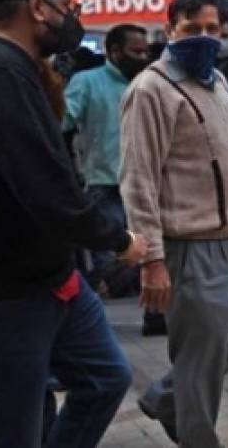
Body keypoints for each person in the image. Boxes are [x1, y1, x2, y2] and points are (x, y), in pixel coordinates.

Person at [0, 0, 146, 447]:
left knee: (105, 378)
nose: (74, 17)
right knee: (9, 430)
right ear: (39, 6)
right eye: (69, 4)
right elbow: (43, 186)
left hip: (51, 277)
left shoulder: (12, 65)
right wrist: (118, 238)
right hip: (2, 291)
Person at [122, 0, 228, 446]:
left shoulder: (218, 81)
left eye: (211, 28)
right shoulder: (150, 90)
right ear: (169, 31)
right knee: (200, 357)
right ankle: (197, 436)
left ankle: (168, 397)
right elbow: (138, 178)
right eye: (191, 29)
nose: (204, 38)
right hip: (192, 245)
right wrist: (152, 259)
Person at [62, 23, 167, 334]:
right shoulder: (87, 83)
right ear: (114, 51)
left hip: (148, 183)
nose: (143, 56)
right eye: (136, 51)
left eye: (145, 51)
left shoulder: (152, 83)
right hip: (103, 183)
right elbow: (63, 123)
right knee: (114, 258)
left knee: (152, 250)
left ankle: (155, 314)